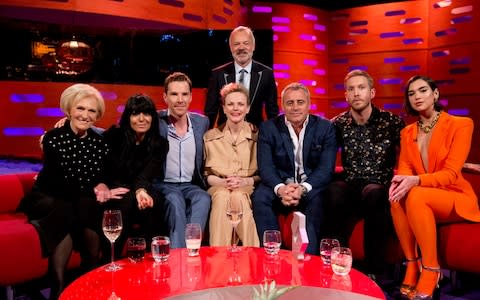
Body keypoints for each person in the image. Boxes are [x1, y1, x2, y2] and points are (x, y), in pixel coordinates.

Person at [389, 75, 480, 299]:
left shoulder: (461, 124)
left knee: (417, 194)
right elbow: (405, 170)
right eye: (412, 94)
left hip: (455, 196)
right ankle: (412, 264)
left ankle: (431, 271)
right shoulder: (406, 132)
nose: (417, 96)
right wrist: (400, 181)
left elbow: (450, 174)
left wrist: (416, 181)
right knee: (396, 197)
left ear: (435, 94)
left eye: (423, 91)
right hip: (423, 197)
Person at [17, 84, 110, 299]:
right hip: (47, 196)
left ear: (98, 115)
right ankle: (60, 286)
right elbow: (64, 180)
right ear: (69, 109)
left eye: (91, 111)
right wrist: (94, 186)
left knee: (86, 207)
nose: (85, 115)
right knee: (71, 207)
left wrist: (102, 186)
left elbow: (93, 178)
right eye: (80, 108)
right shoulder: (53, 138)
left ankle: (85, 278)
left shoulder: (100, 144)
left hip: (74, 201)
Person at [323, 69, 405, 279]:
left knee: (374, 193)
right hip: (351, 188)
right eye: (351, 89)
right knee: (334, 190)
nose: (356, 93)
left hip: (379, 191)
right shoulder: (337, 124)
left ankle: (374, 271)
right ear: (346, 95)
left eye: (361, 88)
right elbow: (324, 158)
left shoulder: (392, 122)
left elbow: (408, 157)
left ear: (372, 93)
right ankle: (336, 263)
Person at [252, 82, 337, 255]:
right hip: (281, 185)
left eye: (300, 102)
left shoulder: (325, 128)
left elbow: (326, 169)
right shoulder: (269, 128)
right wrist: (281, 189)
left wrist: (303, 189)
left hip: (310, 187)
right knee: (260, 197)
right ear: (283, 105)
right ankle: (272, 256)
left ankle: (309, 261)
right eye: (290, 103)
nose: (295, 107)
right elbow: (266, 167)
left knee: (320, 198)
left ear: (309, 104)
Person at [94, 94, 169, 259]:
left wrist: (141, 191)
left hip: (142, 187)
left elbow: (146, 174)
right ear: (128, 117)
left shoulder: (159, 143)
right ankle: (110, 260)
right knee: (125, 200)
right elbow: (93, 137)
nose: (141, 119)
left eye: (146, 113)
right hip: (114, 188)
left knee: (150, 203)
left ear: (153, 118)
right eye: (135, 114)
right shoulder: (114, 136)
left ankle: (151, 261)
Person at [153, 72, 211, 248]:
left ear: (191, 97)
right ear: (165, 97)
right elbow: (125, 126)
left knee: (203, 198)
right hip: (163, 183)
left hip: (190, 184)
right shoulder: (155, 120)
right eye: (174, 94)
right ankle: (178, 255)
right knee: (175, 199)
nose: (180, 100)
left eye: (184, 94)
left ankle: (193, 249)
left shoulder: (202, 122)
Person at [203, 83, 260, 247]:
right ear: (224, 108)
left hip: (247, 187)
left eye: (241, 104)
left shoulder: (258, 136)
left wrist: (245, 182)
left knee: (238, 195)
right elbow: (206, 175)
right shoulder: (209, 137)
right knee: (221, 197)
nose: (236, 108)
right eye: (230, 104)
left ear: (248, 108)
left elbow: (261, 174)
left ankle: (252, 256)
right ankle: (219, 257)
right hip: (218, 186)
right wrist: (221, 182)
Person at [205, 25, 279, 128]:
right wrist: (206, 137)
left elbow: (272, 112)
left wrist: (274, 138)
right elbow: (210, 111)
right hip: (225, 136)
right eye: (236, 44)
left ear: (253, 46)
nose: (241, 48)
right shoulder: (218, 74)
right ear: (231, 47)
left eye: (246, 43)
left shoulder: (266, 74)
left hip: (255, 135)